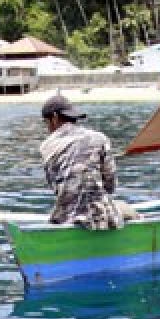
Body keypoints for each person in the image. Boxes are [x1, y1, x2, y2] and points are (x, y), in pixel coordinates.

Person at [39, 93, 122, 230]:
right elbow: (110, 185)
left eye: (45, 122)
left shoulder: (46, 146)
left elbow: (56, 188)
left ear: (54, 118)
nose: (47, 127)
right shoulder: (100, 138)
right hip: (101, 218)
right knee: (126, 210)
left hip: (64, 218)